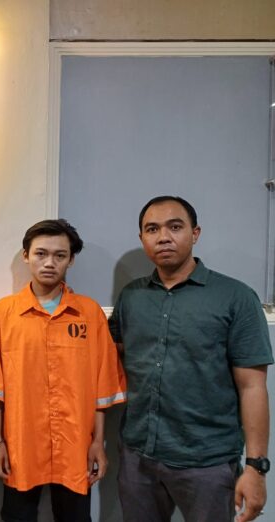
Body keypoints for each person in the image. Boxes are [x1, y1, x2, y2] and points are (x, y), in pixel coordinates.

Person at [109, 195, 273, 522]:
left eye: (175, 227)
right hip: (138, 456)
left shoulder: (235, 297)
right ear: (142, 238)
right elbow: (110, 356)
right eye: (152, 229)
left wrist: (256, 468)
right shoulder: (132, 297)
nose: (163, 237)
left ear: (195, 233)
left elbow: (253, 387)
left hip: (207, 462)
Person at [0, 219, 126, 522]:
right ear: (26, 256)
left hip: (76, 446)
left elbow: (101, 386)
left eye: (60, 255)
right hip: (20, 444)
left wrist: (98, 442)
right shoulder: (1, 315)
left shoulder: (89, 314)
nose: (49, 263)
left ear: (70, 260)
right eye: (41, 254)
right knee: (17, 517)